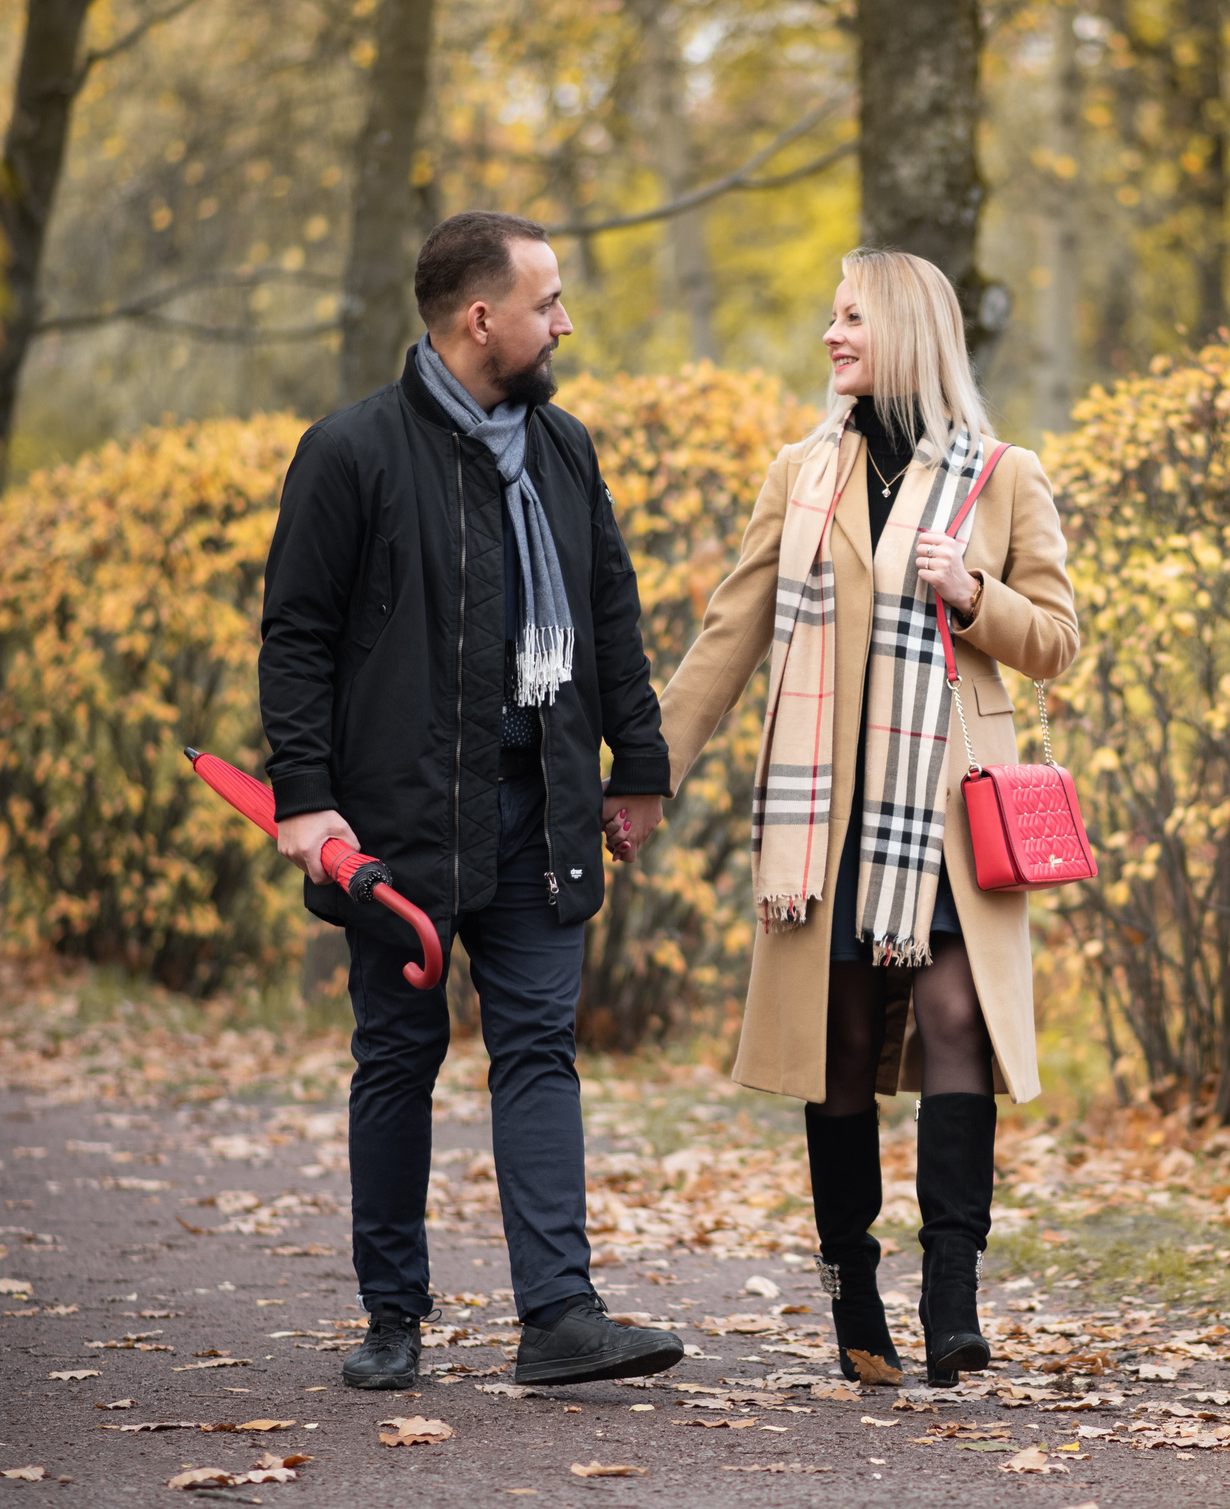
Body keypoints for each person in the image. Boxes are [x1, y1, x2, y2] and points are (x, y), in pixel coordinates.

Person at [258, 210, 682, 1392]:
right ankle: (393, 1314)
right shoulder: (349, 453)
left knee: (539, 1049)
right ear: (479, 317)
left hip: (538, 807)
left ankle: (559, 1316)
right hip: (395, 822)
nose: (564, 322)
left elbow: (608, 614)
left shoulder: (564, 448)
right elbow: (296, 637)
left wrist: (635, 766)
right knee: (398, 1056)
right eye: (547, 302)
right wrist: (305, 797)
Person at [645, 247, 1080, 1385]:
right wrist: (649, 767)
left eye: (850, 317)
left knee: (952, 1016)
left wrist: (973, 595)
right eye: (829, 314)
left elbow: (1059, 640)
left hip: (945, 810)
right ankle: (852, 1294)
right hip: (827, 820)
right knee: (836, 1049)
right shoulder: (800, 473)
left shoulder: (1003, 474)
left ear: (906, 332)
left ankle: (952, 1297)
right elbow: (730, 631)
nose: (831, 334)